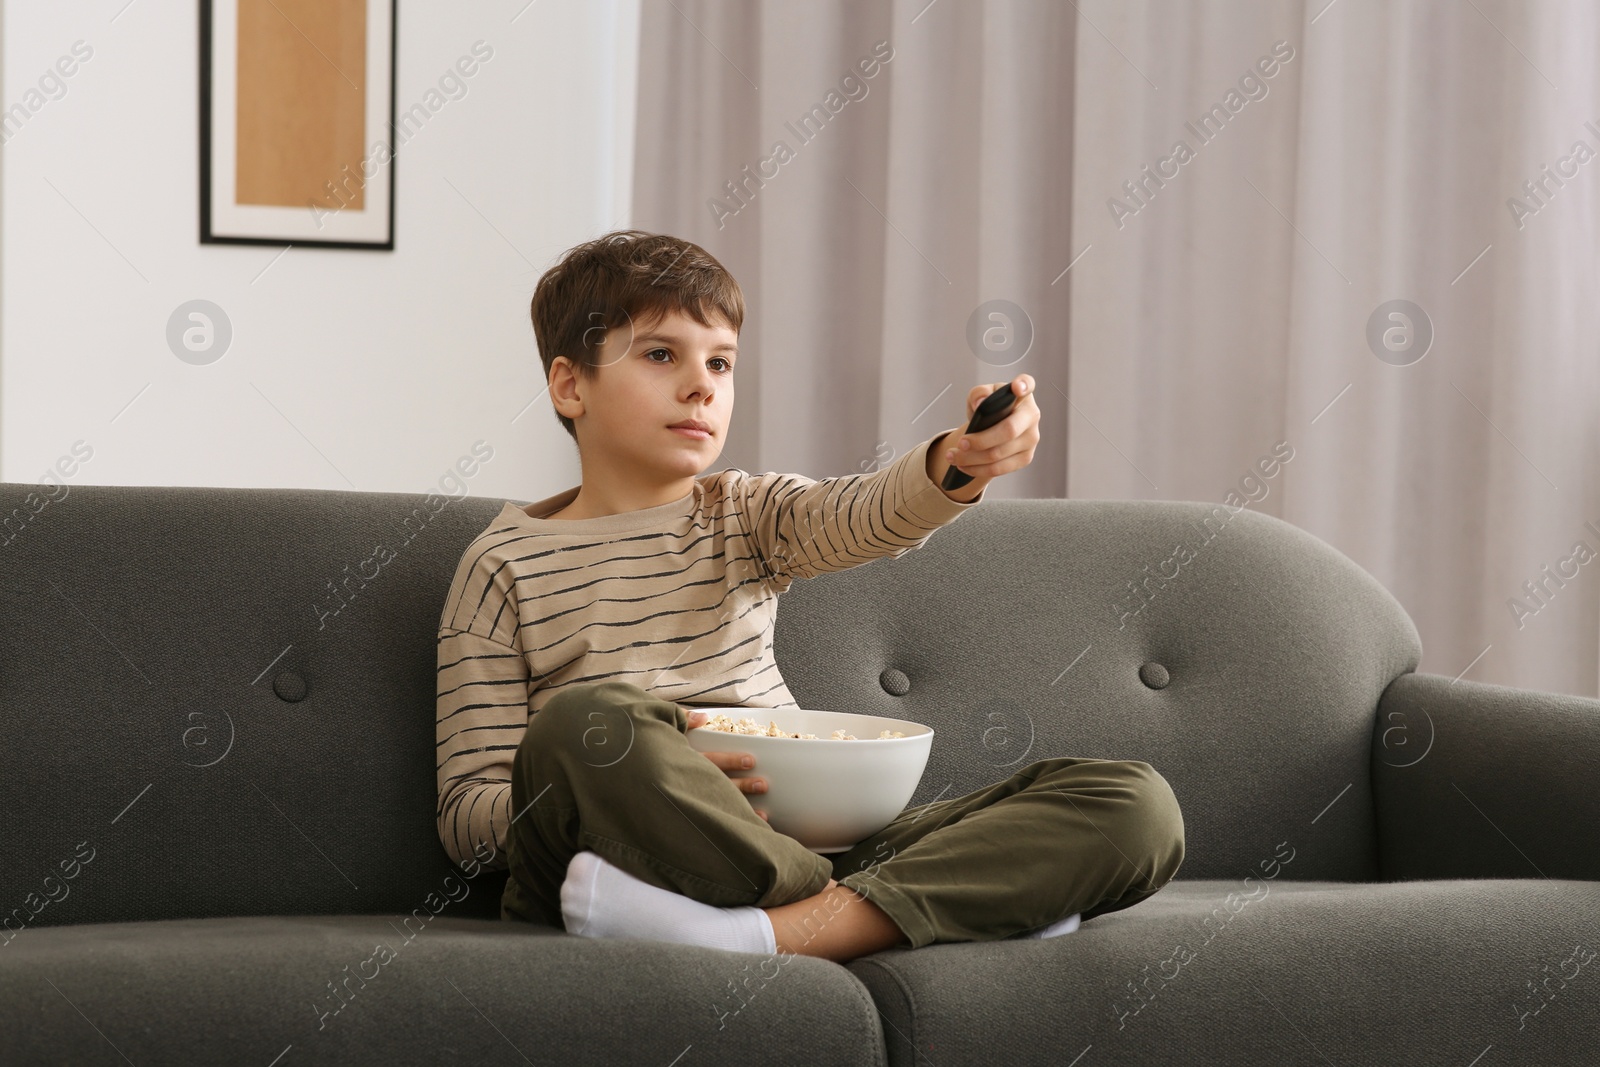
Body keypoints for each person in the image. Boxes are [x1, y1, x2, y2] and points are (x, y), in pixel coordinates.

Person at [436, 229, 1184, 963]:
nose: (702, 384)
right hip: (624, 852)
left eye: (721, 362)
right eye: (661, 354)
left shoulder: (746, 513)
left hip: (806, 843)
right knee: (586, 721)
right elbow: (468, 813)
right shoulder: (504, 564)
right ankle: (936, 906)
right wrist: (655, 766)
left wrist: (956, 466)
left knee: (1134, 805)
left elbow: (862, 515)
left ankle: (777, 929)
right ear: (571, 384)